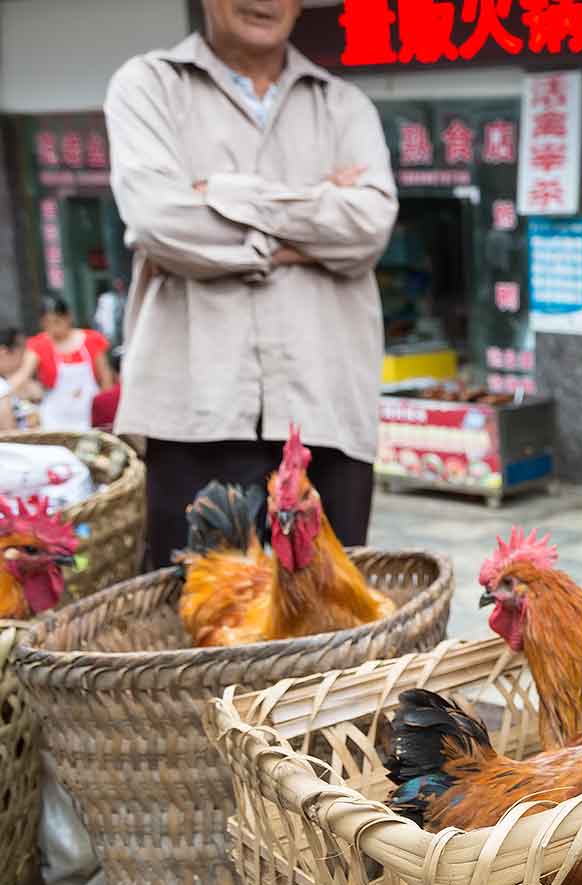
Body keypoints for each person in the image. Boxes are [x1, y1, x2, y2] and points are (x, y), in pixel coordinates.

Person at [105, 0, 397, 570]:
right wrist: (311, 210)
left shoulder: (344, 104)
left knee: (331, 633)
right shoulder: (148, 86)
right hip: (192, 411)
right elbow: (159, 221)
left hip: (326, 414)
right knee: (186, 636)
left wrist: (221, 196)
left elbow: (367, 228)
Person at [24, 294, 115, 432]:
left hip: (90, 414)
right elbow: (23, 374)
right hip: (55, 418)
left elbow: (105, 377)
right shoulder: (39, 345)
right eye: (47, 323)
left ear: (68, 317)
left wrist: (106, 409)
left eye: (57, 322)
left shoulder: (91, 340)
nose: (53, 328)